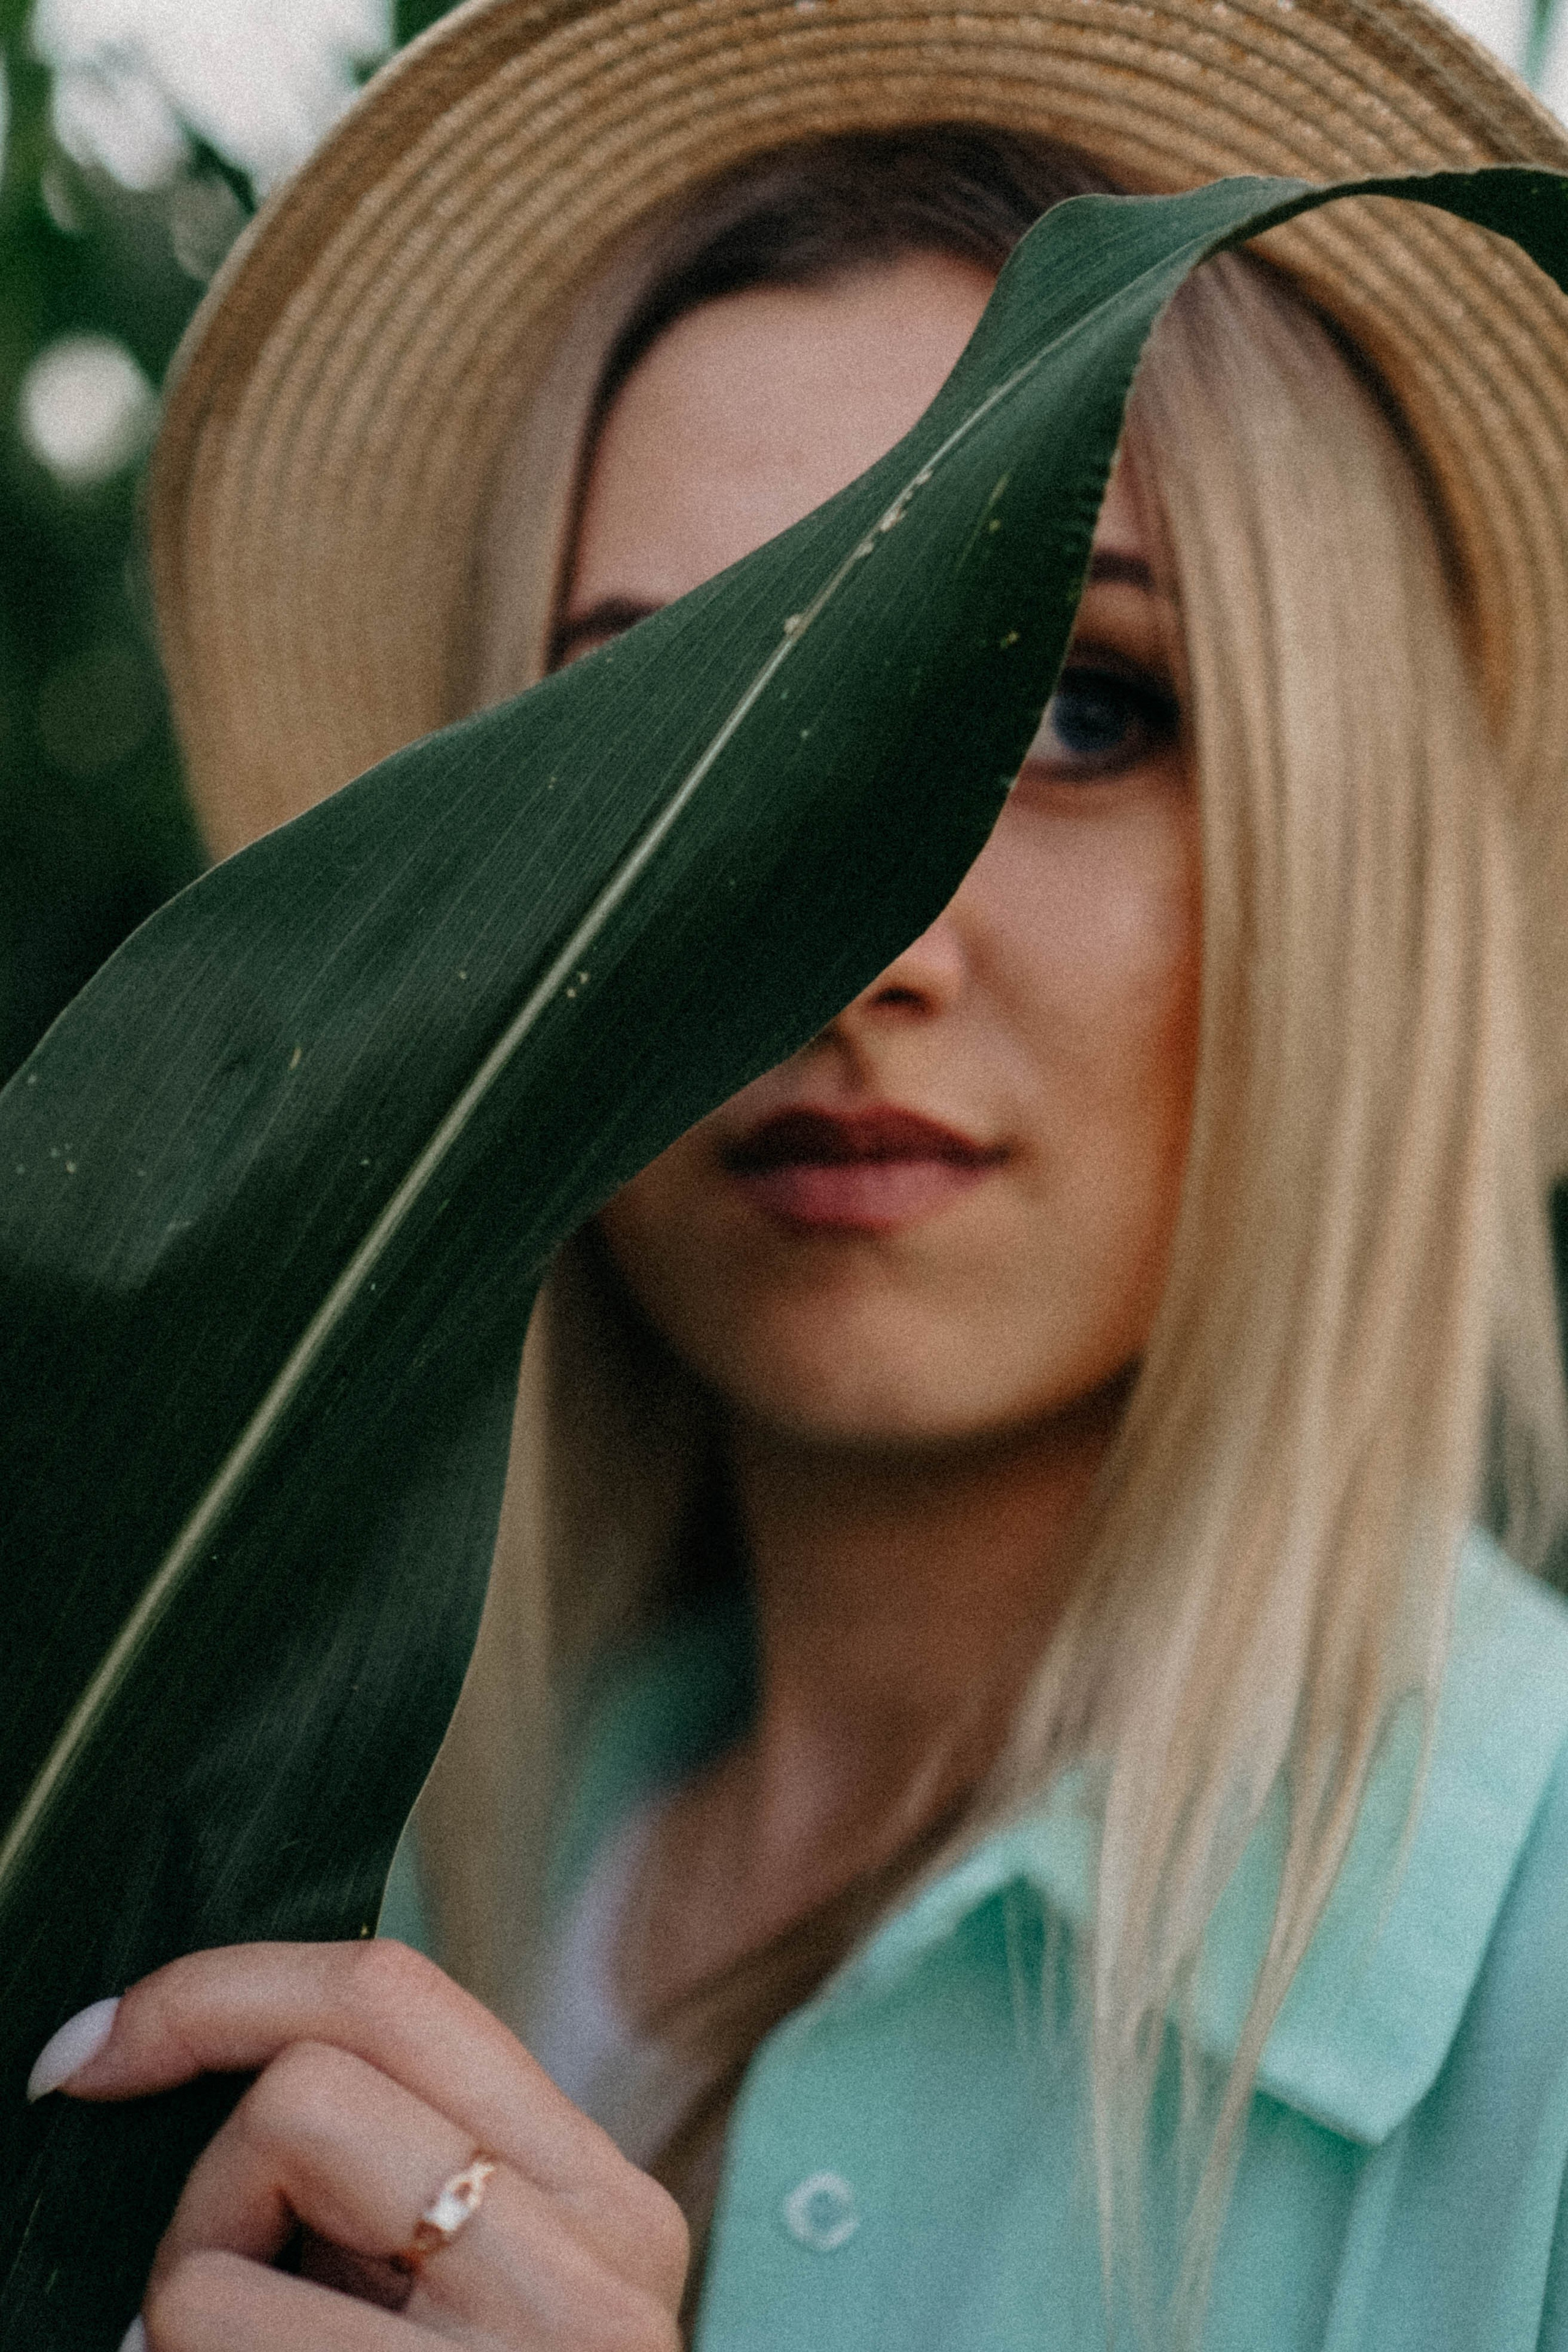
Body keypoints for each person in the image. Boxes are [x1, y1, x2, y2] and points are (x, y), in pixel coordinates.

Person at [24, 2, 1568, 2346]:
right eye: (686, 743)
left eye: (1077, 709)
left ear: (1346, 836)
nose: (860, 944)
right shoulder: (278, 1875)